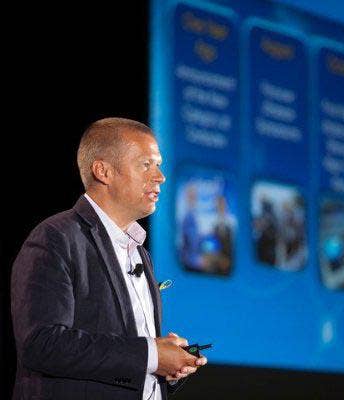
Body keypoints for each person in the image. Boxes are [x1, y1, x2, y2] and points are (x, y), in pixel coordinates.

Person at [11, 118, 207, 400]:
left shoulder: (140, 252)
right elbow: (42, 344)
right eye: (146, 165)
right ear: (103, 171)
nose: (160, 177)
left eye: (158, 165)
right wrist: (151, 355)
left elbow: (125, 361)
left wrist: (167, 365)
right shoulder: (55, 238)